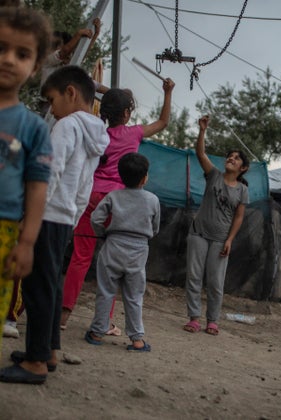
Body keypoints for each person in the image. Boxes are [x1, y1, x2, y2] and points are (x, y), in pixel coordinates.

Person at [0, 65, 109, 384]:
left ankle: (35, 362)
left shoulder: (68, 125)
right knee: (49, 284)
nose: (50, 108)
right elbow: (84, 185)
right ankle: (48, 351)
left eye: (51, 100)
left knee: (36, 288)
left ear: (71, 93)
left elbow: (50, 171)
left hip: (47, 214)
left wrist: (29, 214)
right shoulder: (96, 132)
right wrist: (72, 218)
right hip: (65, 218)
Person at [61, 79, 174, 332]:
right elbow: (163, 122)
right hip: (118, 203)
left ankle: (63, 317)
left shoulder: (96, 133)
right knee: (110, 264)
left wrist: (100, 90)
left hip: (90, 197)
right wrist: (168, 93)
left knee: (79, 259)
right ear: (126, 114)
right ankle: (108, 322)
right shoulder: (133, 133)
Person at [0, 5, 53, 356]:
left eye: (21, 54)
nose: (8, 59)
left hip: (4, 232)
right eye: (0, 48)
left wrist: (27, 242)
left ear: (34, 67)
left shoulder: (34, 128)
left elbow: (37, 188)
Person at [84, 153, 160, 352]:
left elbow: (95, 219)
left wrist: (103, 234)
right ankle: (137, 340)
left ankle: (97, 332)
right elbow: (156, 227)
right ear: (144, 178)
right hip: (139, 249)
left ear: (120, 175)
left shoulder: (113, 196)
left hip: (113, 245)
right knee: (134, 296)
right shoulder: (153, 200)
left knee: (106, 291)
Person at [183, 115, 249, 335]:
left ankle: (212, 320)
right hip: (199, 233)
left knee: (215, 281)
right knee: (193, 276)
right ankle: (194, 318)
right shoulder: (214, 176)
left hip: (221, 239)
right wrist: (202, 130)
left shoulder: (242, 190)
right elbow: (200, 153)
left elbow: (239, 217)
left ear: (243, 168)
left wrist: (230, 240)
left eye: (236, 158)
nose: (231, 159)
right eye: (229, 156)